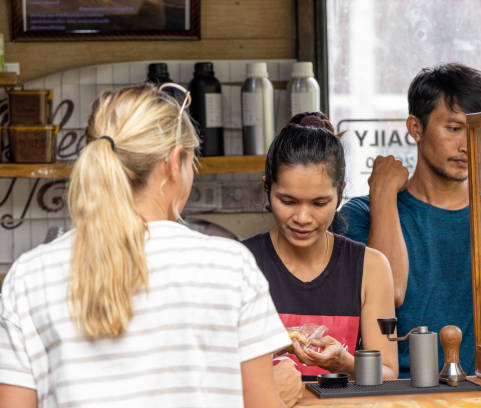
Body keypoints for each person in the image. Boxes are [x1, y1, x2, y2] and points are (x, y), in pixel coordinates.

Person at [0, 84, 300, 407]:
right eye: (190, 162)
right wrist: (276, 392)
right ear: (172, 163)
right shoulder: (230, 266)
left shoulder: (28, 277)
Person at [334, 64, 481, 377]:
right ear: (415, 127)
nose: (466, 145)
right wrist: (382, 195)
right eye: (453, 128)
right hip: (398, 392)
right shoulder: (361, 214)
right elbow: (391, 291)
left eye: (475, 131)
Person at [243, 112, 398, 380]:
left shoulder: (371, 267)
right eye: (288, 201)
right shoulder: (241, 263)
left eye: (319, 203)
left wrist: (345, 363)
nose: (302, 218)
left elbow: (388, 372)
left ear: (340, 193)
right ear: (266, 188)